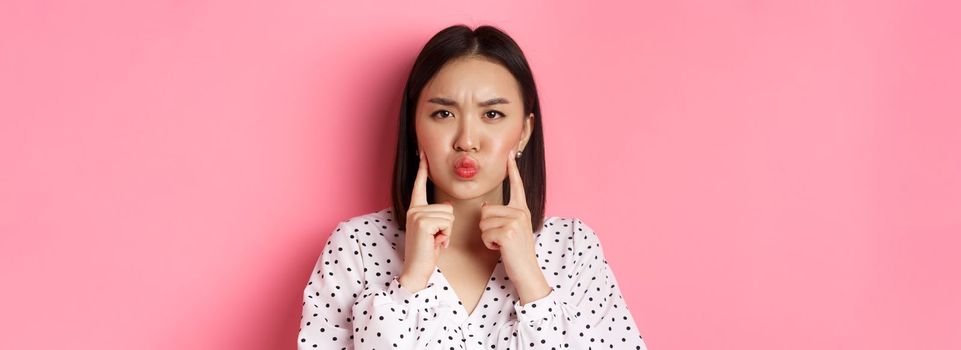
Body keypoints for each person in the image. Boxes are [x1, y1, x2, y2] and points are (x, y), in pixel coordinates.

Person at [297, 24, 648, 350]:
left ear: (524, 131)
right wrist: (410, 286)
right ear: (413, 127)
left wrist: (531, 281)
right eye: (443, 114)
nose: (467, 141)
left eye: (492, 115)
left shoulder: (573, 248)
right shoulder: (356, 247)